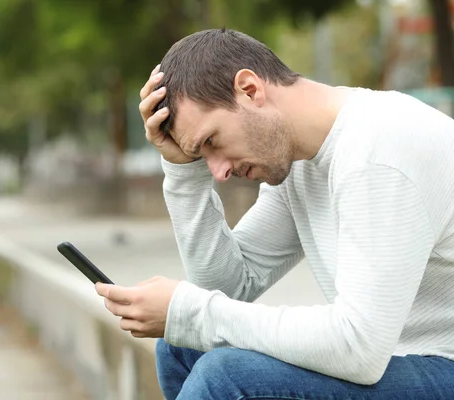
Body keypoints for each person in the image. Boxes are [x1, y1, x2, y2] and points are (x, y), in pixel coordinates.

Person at [95, 28, 454, 399]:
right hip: (397, 362)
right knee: (181, 345)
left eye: (211, 142)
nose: (218, 172)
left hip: (441, 364)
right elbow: (228, 287)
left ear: (250, 90)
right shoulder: (300, 161)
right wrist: (184, 171)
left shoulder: (378, 150)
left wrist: (190, 311)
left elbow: (358, 347)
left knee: (226, 376)